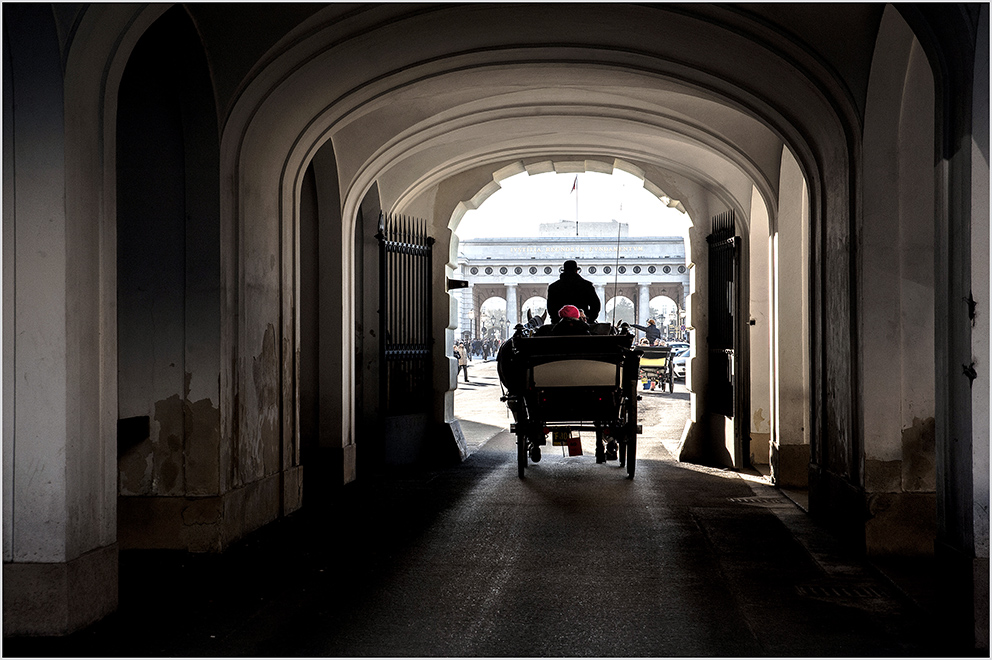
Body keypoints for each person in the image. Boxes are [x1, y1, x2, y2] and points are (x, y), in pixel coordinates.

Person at [546, 260, 600, 324]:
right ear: (576, 271)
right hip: (582, 323)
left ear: (564, 270)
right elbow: (596, 305)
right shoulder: (587, 285)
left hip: (561, 324)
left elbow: (551, 308)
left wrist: (556, 320)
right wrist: (589, 319)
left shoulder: (553, 287)